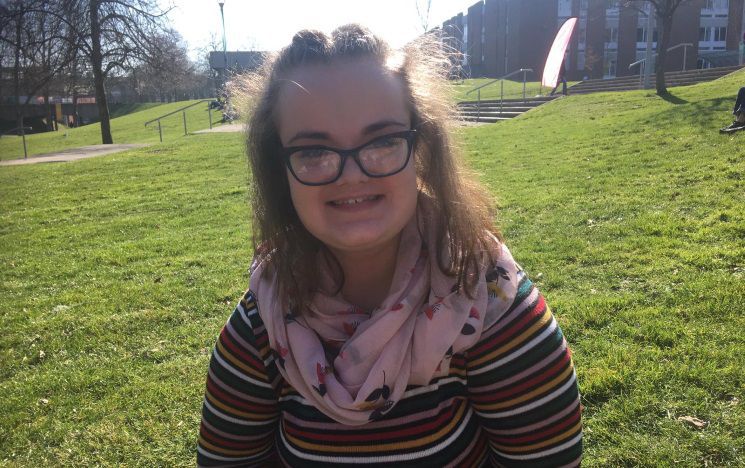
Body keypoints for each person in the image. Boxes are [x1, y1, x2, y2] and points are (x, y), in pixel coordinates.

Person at [197, 24, 582, 467]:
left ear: (421, 148)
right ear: (280, 170)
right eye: (313, 151)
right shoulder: (263, 319)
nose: (351, 174)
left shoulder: (491, 304)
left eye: (381, 141)